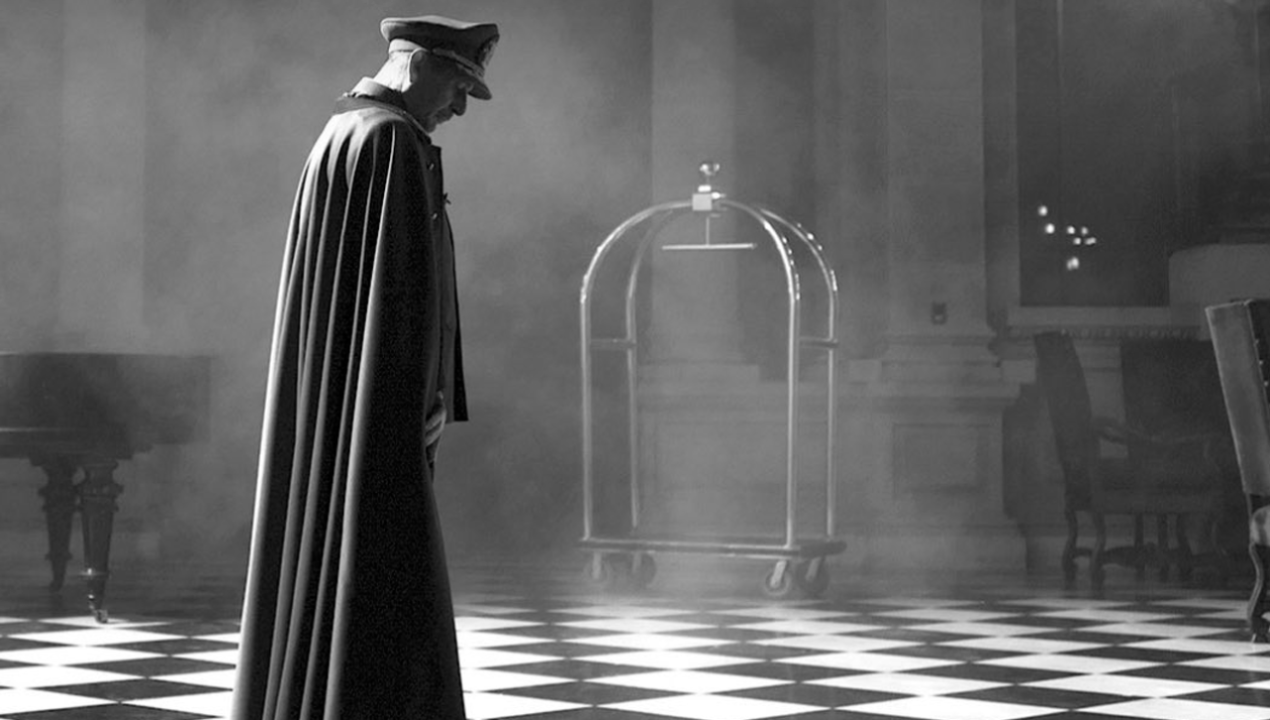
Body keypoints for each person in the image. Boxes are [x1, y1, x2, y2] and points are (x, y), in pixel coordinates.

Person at [232, 14, 498, 719]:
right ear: (418, 64)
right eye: (460, 84)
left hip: (351, 403)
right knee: (382, 575)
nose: (461, 107)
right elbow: (398, 296)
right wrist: (416, 405)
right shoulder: (390, 141)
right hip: (377, 413)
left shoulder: (343, 132)